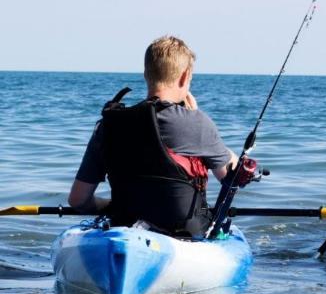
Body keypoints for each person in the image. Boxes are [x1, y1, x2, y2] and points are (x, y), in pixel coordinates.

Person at [68, 35, 257, 237]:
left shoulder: (109, 124)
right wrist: (196, 120)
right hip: (185, 235)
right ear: (185, 77)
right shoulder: (197, 123)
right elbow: (232, 177)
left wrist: (110, 206)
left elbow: (78, 200)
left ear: (145, 75)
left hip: (123, 226)